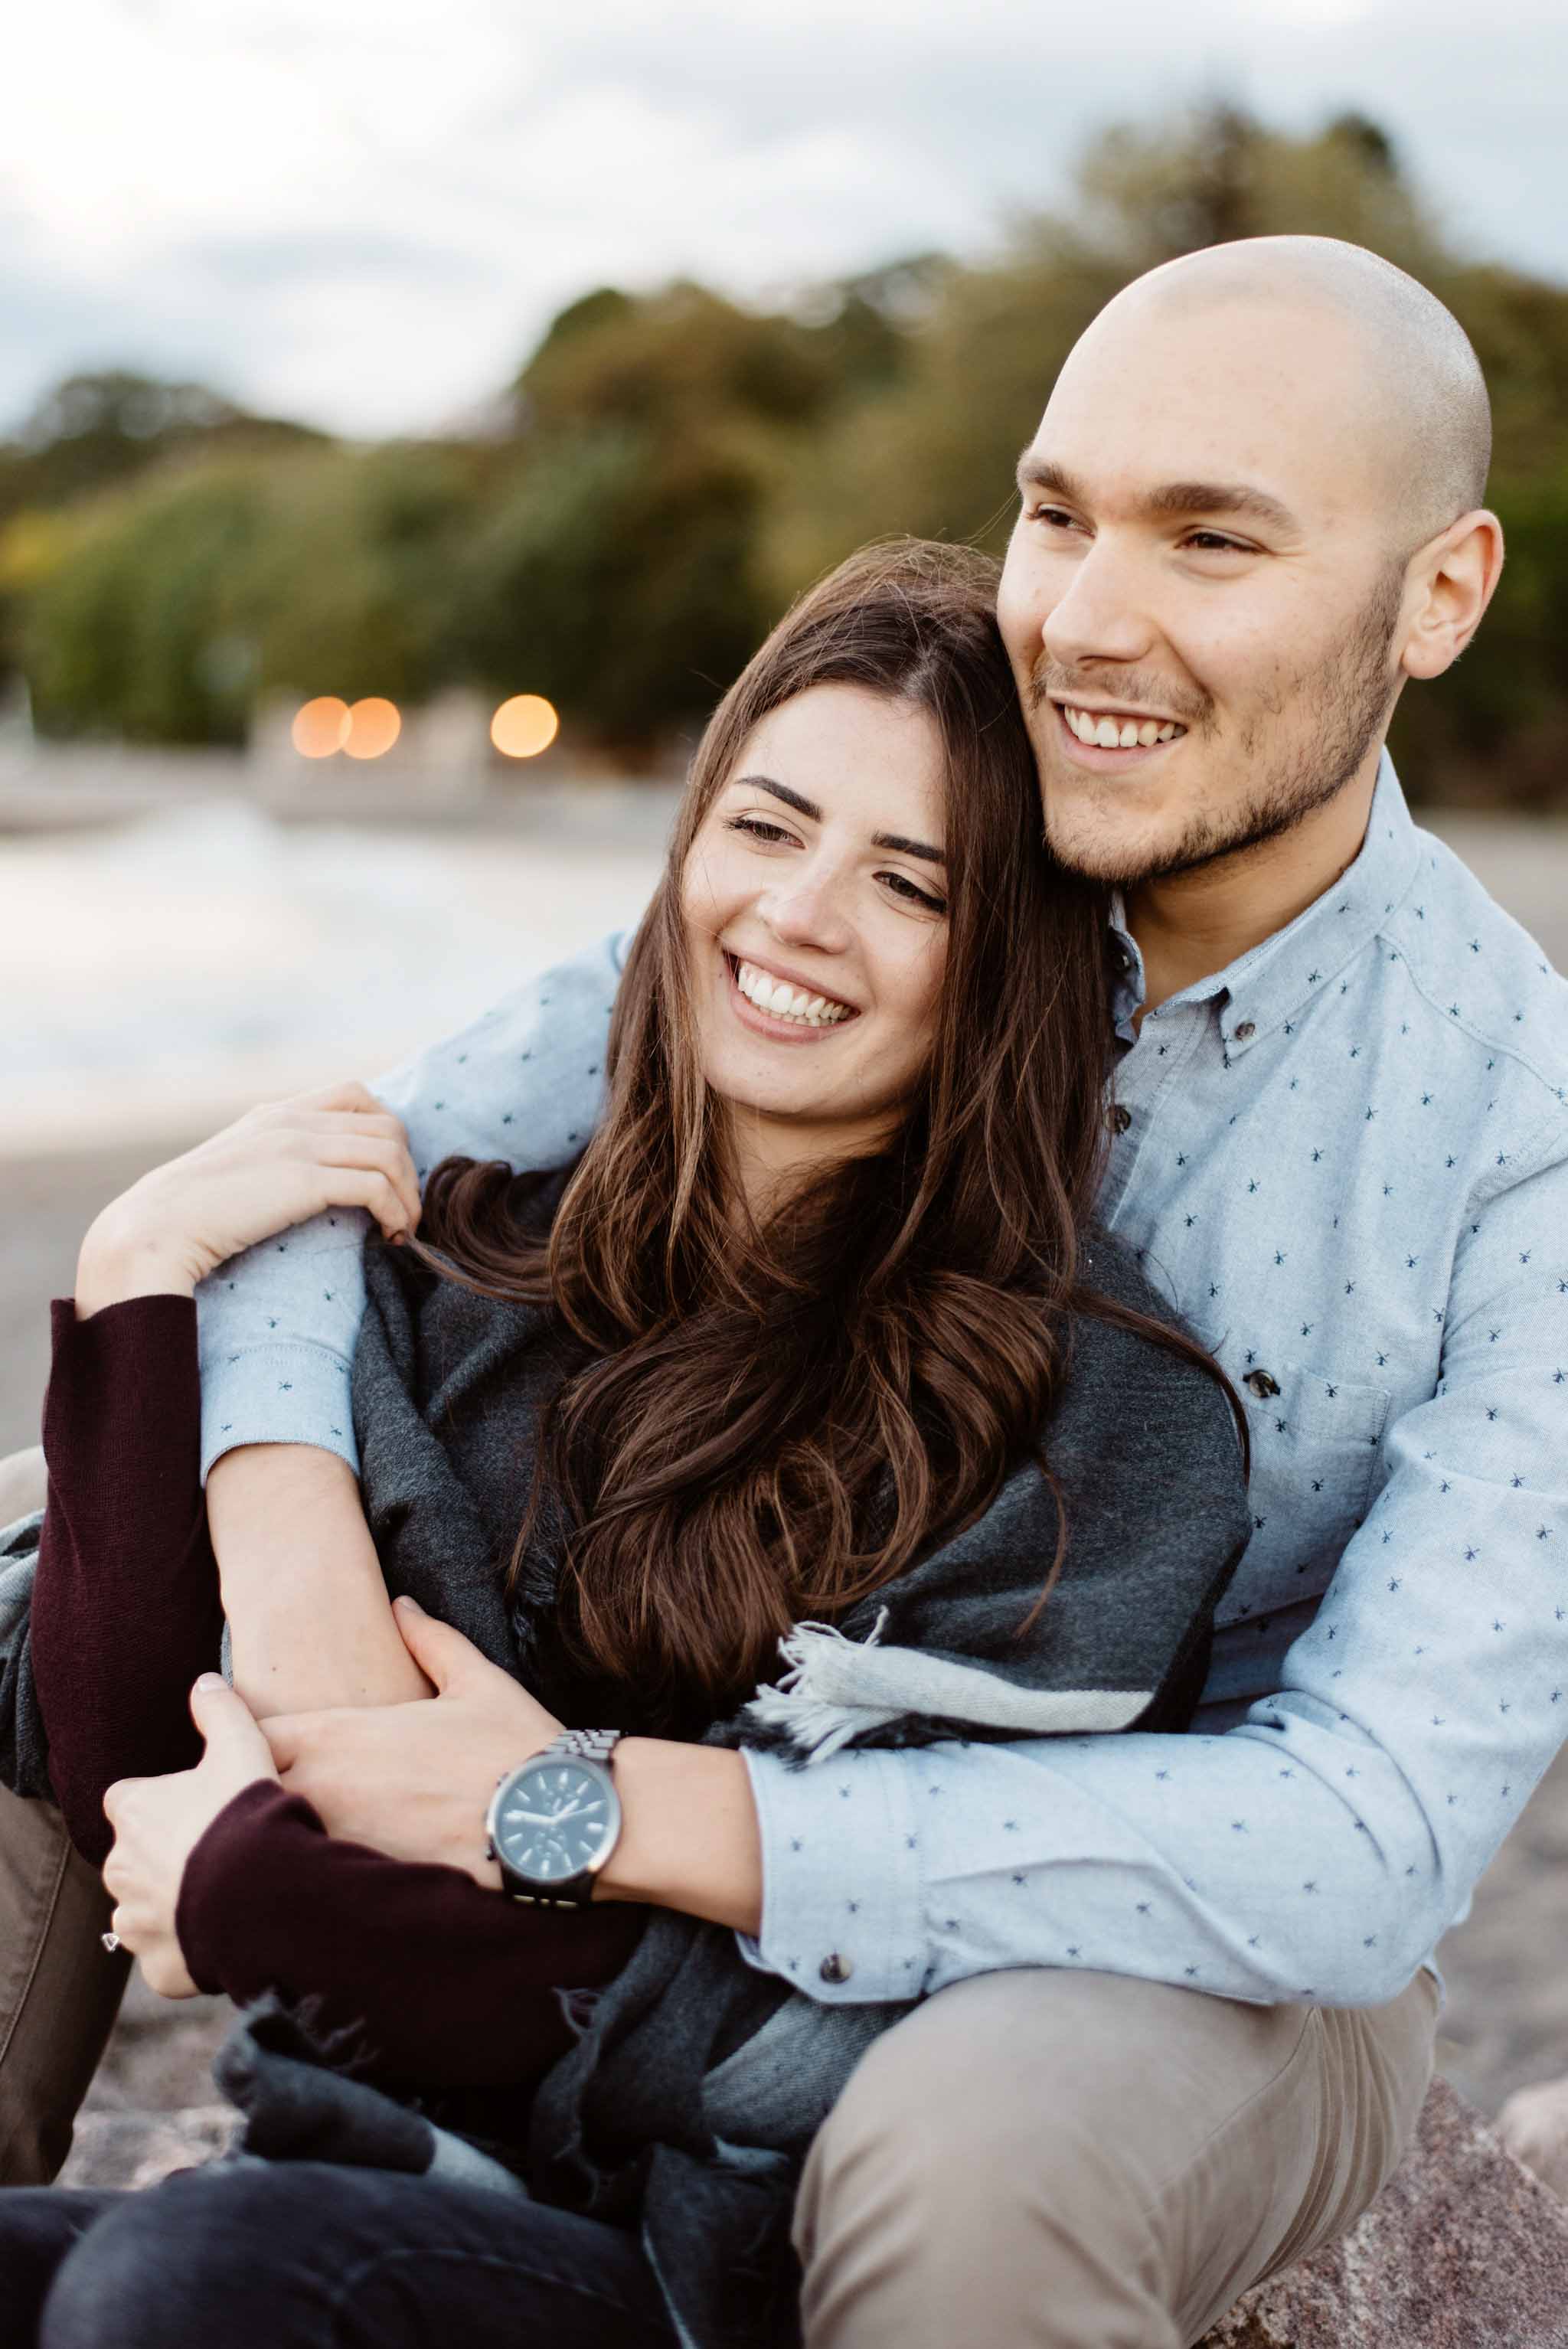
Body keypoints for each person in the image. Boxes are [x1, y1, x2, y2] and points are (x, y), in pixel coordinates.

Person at [2, 229, 1565, 2346]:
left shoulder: (1516, 1131)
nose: (1094, 616)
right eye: (1057, 512)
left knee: (966, 2139)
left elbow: (1359, 1832)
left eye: (1215, 539)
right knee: (35, 1542)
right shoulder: (923, 820)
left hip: (1190, 1921)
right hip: (710, 1721)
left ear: (1440, 593)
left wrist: (568, 1802)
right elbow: (335, 1185)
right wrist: (308, 1653)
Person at [0, 542, 1249, 2347]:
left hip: (710, 2261)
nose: (800, 912)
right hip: (383, 2163)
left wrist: (296, 1897)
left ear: (1018, 959)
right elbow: (143, 1759)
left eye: (909, 880)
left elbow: (826, 2026)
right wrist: (137, 1284)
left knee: (176, 2280)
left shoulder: (1099, 1426)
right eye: (767, 825)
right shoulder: (486, 1256)